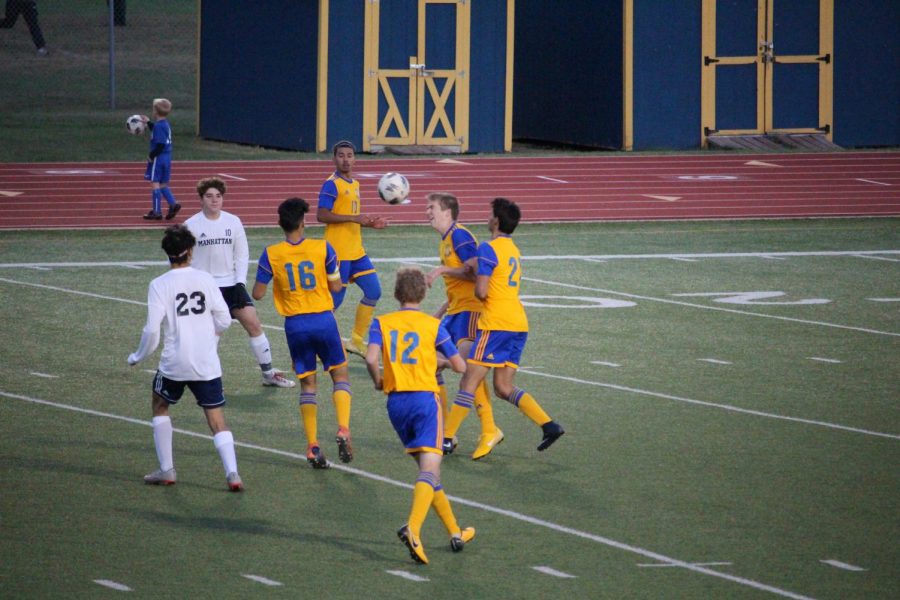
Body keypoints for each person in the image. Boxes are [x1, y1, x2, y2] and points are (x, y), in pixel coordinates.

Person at [365, 267, 475, 565]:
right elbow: (461, 367)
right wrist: (438, 360)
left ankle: (455, 531)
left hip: (396, 403)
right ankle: (413, 528)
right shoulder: (432, 326)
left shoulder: (382, 322)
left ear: (397, 294)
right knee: (430, 468)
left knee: (430, 472)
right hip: (425, 401)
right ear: (423, 294)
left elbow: (372, 357)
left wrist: (378, 381)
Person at [127, 224, 243, 492]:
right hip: (206, 363)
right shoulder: (206, 279)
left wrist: (137, 356)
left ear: (167, 254)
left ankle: (167, 469)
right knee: (217, 420)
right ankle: (233, 474)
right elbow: (225, 319)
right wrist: (209, 337)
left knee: (159, 405)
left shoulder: (158, 284)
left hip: (174, 363)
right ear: (190, 251)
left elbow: (152, 330)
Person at [444, 198, 565, 453]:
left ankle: (445, 437)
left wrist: (478, 285)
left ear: (496, 221)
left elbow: (481, 290)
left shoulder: (488, 248)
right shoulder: (513, 249)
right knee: (503, 387)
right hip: (519, 323)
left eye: (490, 215)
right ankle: (548, 425)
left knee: (468, 381)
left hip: (496, 324)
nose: (488, 218)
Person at [252, 197, 354, 468]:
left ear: (280, 223)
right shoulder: (323, 248)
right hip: (323, 320)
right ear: (303, 221)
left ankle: (312, 446)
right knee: (340, 375)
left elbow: (258, 294)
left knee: (308, 385)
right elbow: (335, 288)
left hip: (295, 326)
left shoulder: (271, 254)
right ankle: (343, 428)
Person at [184, 177, 296, 389]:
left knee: (253, 323)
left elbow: (241, 255)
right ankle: (203, 375)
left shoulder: (233, 221)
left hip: (231, 285)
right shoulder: (191, 225)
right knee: (210, 332)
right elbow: (184, 257)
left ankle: (268, 373)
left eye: (218, 196)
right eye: (209, 196)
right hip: (204, 287)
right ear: (201, 199)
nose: (214, 200)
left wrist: (240, 282)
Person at [424, 192, 503, 460]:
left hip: (470, 312)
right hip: (456, 312)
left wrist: (443, 271)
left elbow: (476, 271)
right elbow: (454, 290)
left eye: (432, 207)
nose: (428, 212)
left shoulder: (460, 235)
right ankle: (448, 432)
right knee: (433, 363)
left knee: (471, 369)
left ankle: (486, 430)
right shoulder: (445, 241)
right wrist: (435, 316)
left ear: (447, 211)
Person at [317, 140, 387, 356]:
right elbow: (321, 215)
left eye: (349, 155)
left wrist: (369, 223)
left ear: (355, 159)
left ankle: (356, 340)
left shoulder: (354, 184)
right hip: (338, 253)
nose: (346, 159)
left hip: (356, 251)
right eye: (341, 155)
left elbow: (352, 219)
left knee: (374, 291)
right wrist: (355, 218)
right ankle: (321, 345)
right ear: (334, 158)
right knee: (334, 301)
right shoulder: (331, 184)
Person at [141, 98, 181, 221]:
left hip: (158, 158)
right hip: (167, 158)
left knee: (155, 183)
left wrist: (151, 156)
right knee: (163, 183)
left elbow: (160, 144)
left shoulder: (159, 126)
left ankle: (157, 212)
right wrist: (148, 123)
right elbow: (158, 132)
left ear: (155, 111)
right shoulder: (164, 124)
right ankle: (173, 204)